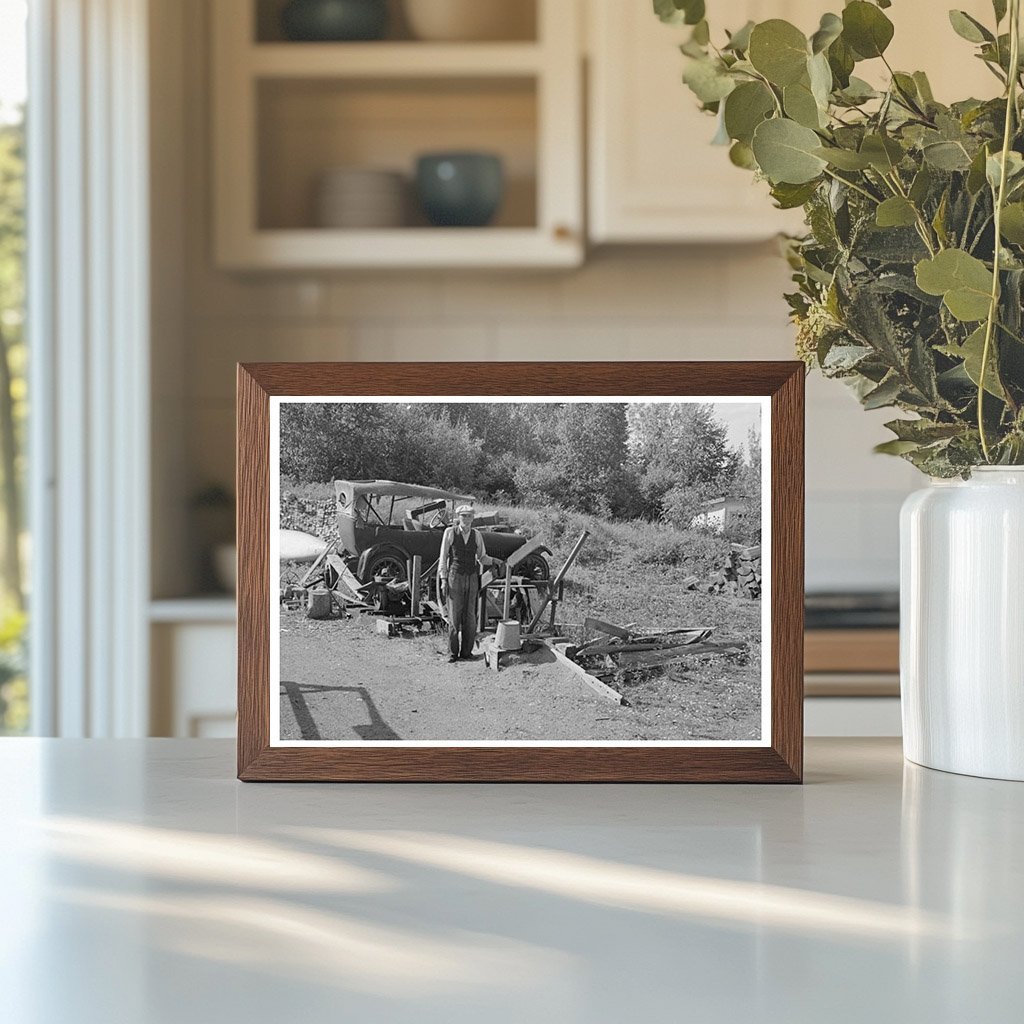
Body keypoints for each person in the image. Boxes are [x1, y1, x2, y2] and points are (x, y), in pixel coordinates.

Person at [438, 504, 491, 662]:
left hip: (472, 577)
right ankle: (452, 653)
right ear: (458, 517)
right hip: (455, 577)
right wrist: (443, 579)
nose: (466, 519)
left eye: (469, 516)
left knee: (470, 616)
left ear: (473, 518)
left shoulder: (477, 535)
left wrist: (496, 561)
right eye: (463, 516)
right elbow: (443, 557)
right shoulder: (450, 532)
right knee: (454, 615)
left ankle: (466, 653)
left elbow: (482, 557)